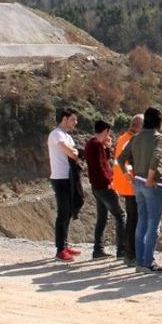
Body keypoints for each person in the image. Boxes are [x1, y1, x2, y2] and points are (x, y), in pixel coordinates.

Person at [117, 106, 162, 273]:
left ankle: (140, 262)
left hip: (137, 184)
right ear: (159, 121)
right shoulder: (159, 138)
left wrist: (128, 176)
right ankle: (148, 262)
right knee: (153, 224)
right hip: (152, 184)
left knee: (141, 223)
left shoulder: (136, 137)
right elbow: (156, 157)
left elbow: (120, 158)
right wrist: (150, 178)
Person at [84, 120, 127, 260]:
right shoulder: (96, 145)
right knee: (120, 216)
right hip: (104, 186)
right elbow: (101, 167)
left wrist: (107, 148)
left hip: (96, 187)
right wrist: (109, 182)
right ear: (106, 131)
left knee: (102, 217)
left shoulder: (91, 143)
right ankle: (122, 250)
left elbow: (102, 161)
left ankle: (98, 250)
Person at [48, 108, 80, 262]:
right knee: (63, 213)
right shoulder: (56, 135)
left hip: (69, 178)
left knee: (68, 212)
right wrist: (75, 152)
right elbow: (73, 154)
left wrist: (75, 152)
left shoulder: (67, 136)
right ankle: (60, 249)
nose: (76, 122)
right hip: (60, 178)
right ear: (64, 119)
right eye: (73, 119)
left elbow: (74, 154)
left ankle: (65, 245)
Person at [112, 114, 143, 267]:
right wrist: (133, 178)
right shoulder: (132, 140)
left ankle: (127, 252)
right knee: (133, 220)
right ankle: (131, 254)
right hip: (129, 186)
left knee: (132, 219)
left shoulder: (123, 137)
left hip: (123, 184)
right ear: (139, 126)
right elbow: (127, 163)